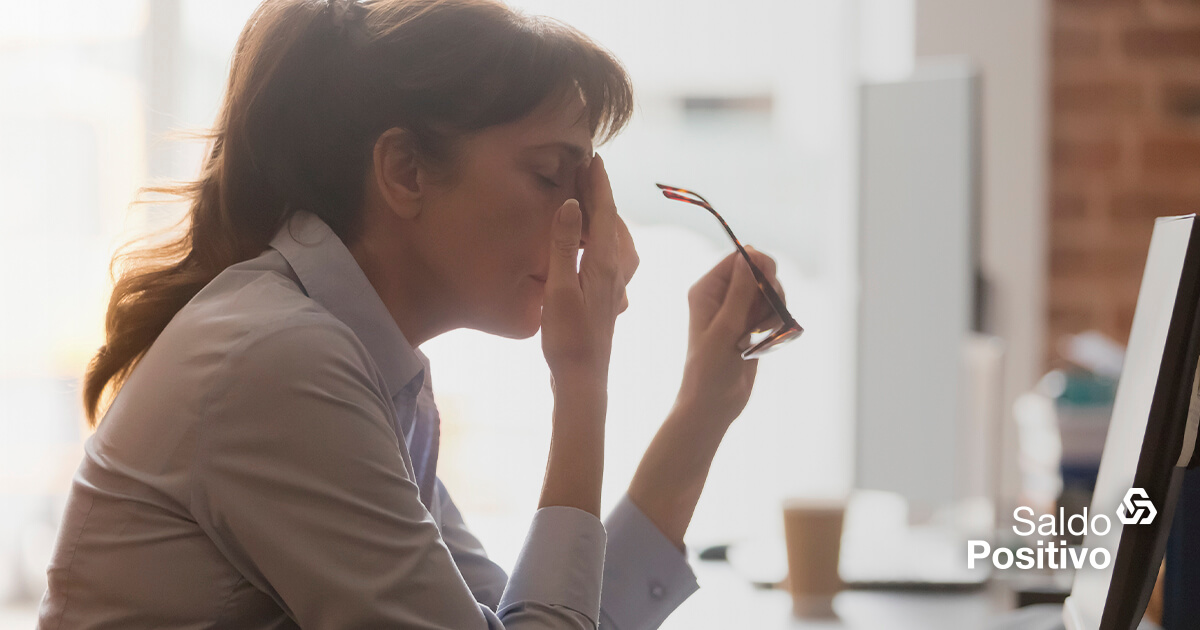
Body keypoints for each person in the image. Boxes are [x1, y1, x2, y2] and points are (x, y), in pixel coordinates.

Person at [38, 0, 786, 628]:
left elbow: (548, 614)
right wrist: (581, 378)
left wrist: (701, 411)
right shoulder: (280, 363)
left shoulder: (356, 365)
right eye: (551, 176)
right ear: (405, 172)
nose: (590, 229)